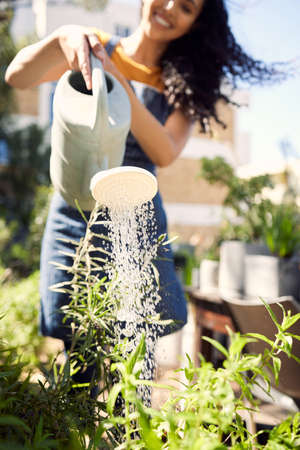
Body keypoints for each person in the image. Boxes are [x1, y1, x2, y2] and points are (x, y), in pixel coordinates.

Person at [5, 0, 282, 392]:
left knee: (134, 364)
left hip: (137, 224)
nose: (169, 8)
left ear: (194, 25)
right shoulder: (95, 47)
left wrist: (116, 79)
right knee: (77, 350)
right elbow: (17, 76)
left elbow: (165, 151)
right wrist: (60, 38)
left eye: (186, 8)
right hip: (74, 215)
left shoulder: (183, 83)